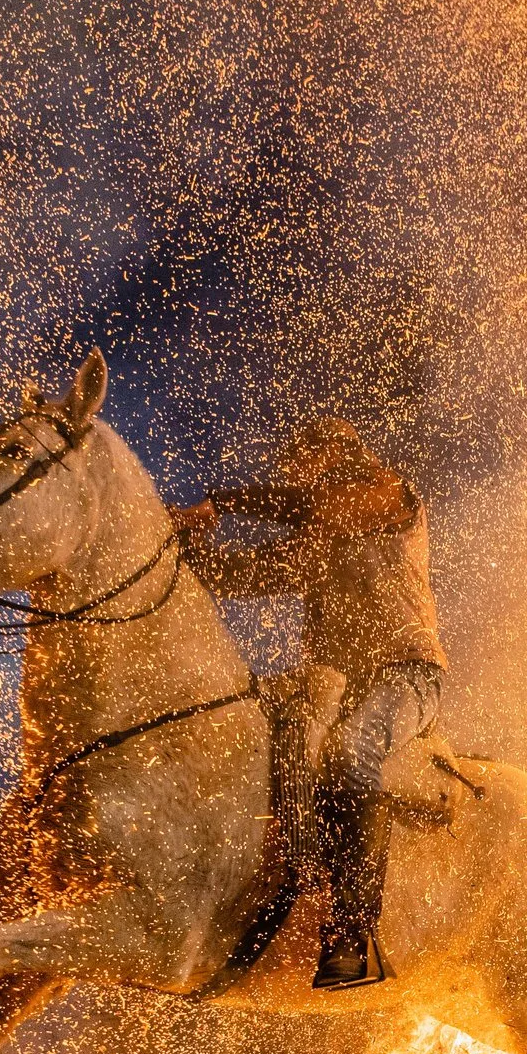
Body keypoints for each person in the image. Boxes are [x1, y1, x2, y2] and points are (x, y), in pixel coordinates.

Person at [175, 416, 446, 988]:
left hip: (408, 676)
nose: (291, 474)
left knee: (352, 751)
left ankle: (353, 933)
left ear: (335, 456)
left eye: (301, 464)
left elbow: (323, 507)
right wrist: (181, 541)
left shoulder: (390, 497)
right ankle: (284, 880)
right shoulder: (317, 544)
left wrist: (223, 500)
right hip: (336, 686)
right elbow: (234, 576)